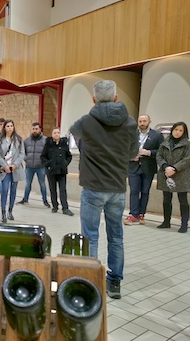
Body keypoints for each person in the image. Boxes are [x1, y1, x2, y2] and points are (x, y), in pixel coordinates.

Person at [69, 80, 138, 299]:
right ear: (116, 98)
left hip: (93, 187)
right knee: (116, 235)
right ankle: (115, 282)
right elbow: (133, 153)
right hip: (117, 187)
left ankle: (91, 281)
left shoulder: (86, 122)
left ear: (93, 99)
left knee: (90, 236)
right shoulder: (130, 123)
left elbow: (74, 136)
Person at [124, 115, 164, 225]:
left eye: (144, 121)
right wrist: (131, 156)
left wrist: (149, 153)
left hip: (148, 167)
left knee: (145, 191)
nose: (142, 123)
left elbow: (162, 151)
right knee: (134, 191)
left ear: (149, 122)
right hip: (133, 166)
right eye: (140, 121)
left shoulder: (157, 135)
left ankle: (141, 214)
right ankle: (133, 214)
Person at [156, 121, 190, 233]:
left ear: (184, 132)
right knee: (166, 198)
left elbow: (187, 159)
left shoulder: (187, 144)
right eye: (176, 130)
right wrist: (165, 166)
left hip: (181, 174)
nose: (177, 132)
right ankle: (166, 221)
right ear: (172, 130)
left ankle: (184, 224)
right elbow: (159, 155)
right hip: (166, 173)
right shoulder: (165, 142)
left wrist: (175, 168)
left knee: (183, 200)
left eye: (180, 130)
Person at [0, 119, 25, 223]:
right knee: (4, 190)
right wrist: (5, 165)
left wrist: (15, 165)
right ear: (4, 128)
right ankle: (3, 212)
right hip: (5, 169)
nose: (10, 128)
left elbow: (22, 154)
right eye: (7, 126)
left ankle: (10, 211)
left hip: (15, 168)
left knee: (13, 191)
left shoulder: (19, 139)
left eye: (11, 126)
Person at [40, 127, 74, 216]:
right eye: (55, 133)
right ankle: (55, 206)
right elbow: (43, 157)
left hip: (62, 171)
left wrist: (65, 163)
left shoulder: (64, 144)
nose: (56, 134)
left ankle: (65, 208)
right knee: (53, 189)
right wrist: (48, 164)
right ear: (52, 134)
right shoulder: (48, 144)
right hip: (51, 171)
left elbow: (69, 156)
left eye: (58, 133)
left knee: (63, 190)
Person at [17, 122, 50, 207]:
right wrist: (26, 159)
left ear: (40, 129)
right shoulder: (27, 141)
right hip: (29, 166)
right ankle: (25, 199)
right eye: (33, 129)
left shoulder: (46, 140)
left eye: (36, 129)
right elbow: (22, 152)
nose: (35, 131)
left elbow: (48, 153)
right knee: (28, 184)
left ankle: (45, 201)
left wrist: (45, 162)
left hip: (41, 167)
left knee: (42, 184)